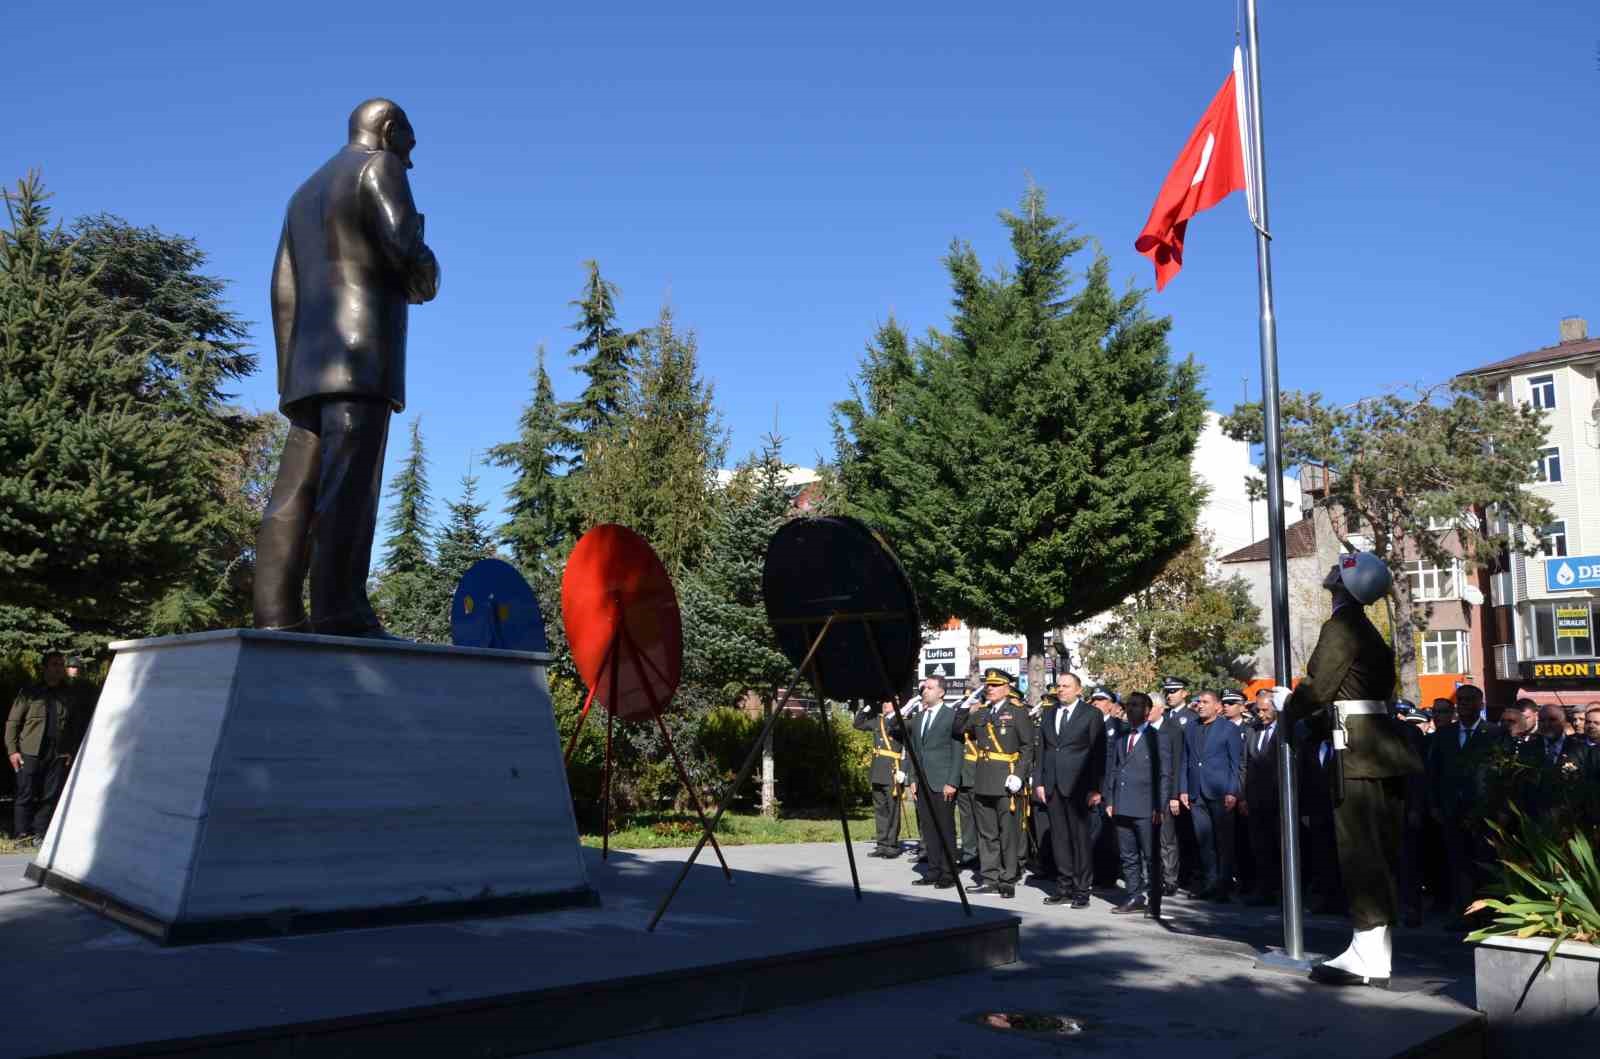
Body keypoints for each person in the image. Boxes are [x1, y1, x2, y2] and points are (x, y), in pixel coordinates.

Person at [254, 98, 441, 638]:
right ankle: (339, 610)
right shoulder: (379, 167)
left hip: (308, 365)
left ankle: (274, 613)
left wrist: (289, 373)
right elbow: (405, 249)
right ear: (389, 130)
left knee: (293, 491)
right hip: (361, 356)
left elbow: (282, 289)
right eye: (408, 144)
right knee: (349, 488)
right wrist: (427, 270)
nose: (410, 159)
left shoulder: (302, 193)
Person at [1275, 552, 1424, 989]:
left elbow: (1320, 688)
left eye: (1337, 578)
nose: (1332, 583)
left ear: (1344, 586)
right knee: (1378, 851)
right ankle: (1375, 953)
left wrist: (1290, 704)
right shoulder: (1369, 631)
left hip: (1358, 753)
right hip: (1379, 749)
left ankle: (1366, 953)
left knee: (1359, 851)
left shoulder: (1341, 626)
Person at [1426, 683, 1503, 929]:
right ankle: (1463, 913)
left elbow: (1502, 772)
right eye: (1460, 700)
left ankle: (1487, 915)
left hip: (1484, 812)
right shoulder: (1444, 734)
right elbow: (1433, 772)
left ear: (1480, 703)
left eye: (1469, 699)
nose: (1463, 704)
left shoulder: (1495, 733)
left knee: (1485, 863)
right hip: (1452, 811)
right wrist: (1435, 805)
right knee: (1458, 863)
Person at [954, 670, 1036, 898]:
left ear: (1007, 688)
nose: (990, 688)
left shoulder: (1017, 712)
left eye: (995, 685)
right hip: (982, 779)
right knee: (986, 833)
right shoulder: (981, 713)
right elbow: (958, 729)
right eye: (988, 685)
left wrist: (1019, 774)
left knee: (1008, 832)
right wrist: (965, 706)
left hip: (1006, 780)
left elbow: (1027, 747)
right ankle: (989, 877)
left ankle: (1008, 878)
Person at [1034, 672, 1106, 908]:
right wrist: (1039, 782)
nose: (1061, 690)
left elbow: (1098, 753)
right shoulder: (1049, 713)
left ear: (1078, 690)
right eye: (1059, 686)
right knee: (1060, 839)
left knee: (1080, 840)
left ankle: (1082, 889)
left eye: (1066, 686)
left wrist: (1096, 788)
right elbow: (1042, 750)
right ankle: (1063, 887)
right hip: (1053, 784)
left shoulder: (1091, 714)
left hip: (1079, 786)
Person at [6, 651, 92, 841]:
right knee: (25, 793)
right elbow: (13, 722)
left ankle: (40, 832)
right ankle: (22, 833)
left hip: (57, 752)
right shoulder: (30, 692)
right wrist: (12, 751)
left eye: (61, 665)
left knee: (50, 795)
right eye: (54, 664)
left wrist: (70, 750)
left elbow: (74, 724)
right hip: (30, 750)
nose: (59, 668)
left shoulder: (68, 693)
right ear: (44, 668)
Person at [893, 678, 961, 889]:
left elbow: (957, 751)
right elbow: (914, 751)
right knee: (928, 828)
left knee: (945, 828)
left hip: (943, 781)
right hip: (922, 782)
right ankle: (933, 870)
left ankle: (948, 873)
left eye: (930, 688)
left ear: (941, 692)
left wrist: (952, 781)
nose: (925, 691)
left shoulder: (951, 716)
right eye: (923, 688)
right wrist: (913, 778)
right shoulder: (920, 717)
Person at [1177, 690, 1242, 902]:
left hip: (1220, 792)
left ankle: (1224, 885)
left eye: (1205, 702)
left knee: (1224, 841)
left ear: (1217, 706)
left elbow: (1236, 763)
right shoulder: (1191, 727)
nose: (1200, 705)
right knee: (1204, 841)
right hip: (1196, 793)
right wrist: (1183, 789)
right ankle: (1210, 883)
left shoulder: (1229, 729)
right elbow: (1185, 760)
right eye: (1199, 702)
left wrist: (1232, 791)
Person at [1106, 692, 1165, 917]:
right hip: (1122, 803)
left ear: (1148, 711)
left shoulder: (1157, 737)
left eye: (1137, 706)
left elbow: (1165, 774)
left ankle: (1154, 900)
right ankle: (1134, 896)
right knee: (1128, 856)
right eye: (1129, 705)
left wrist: (1160, 806)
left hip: (1146, 806)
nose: (1131, 709)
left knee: (1151, 856)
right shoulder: (1122, 737)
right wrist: (1110, 800)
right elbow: (1114, 769)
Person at [1240, 690, 1282, 907]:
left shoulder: (1285, 732)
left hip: (1278, 799)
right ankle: (1264, 889)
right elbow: (1245, 765)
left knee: (1279, 846)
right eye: (1258, 710)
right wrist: (1244, 797)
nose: (1261, 714)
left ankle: (1284, 891)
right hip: (1255, 799)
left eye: (1265, 710)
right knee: (1260, 846)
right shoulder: (1252, 730)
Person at [854, 698, 909, 858]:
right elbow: (857, 724)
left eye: (889, 702)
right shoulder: (877, 720)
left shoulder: (902, 722)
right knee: (880, 810)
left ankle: (892, 845)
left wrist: (903, 770)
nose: (885, 704)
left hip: (892, 772)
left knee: (893, 811)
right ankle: (882, 844)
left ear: (897, 704)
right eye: (883, 702)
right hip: (877, 772)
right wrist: (867, 707)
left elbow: (908, 748)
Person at [1160, 676, 1200, 890]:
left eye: (1174, 691)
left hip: (1184, 785)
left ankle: (1189, 876)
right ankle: (1172, 876)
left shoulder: (1192, 717)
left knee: (1186, 834)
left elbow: (1184, 758)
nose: (1169, 695)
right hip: (1166, 785)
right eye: (1167, 691)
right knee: (1168, 836)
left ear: (1184, 693)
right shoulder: (1163, 716)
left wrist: (1178, 792)